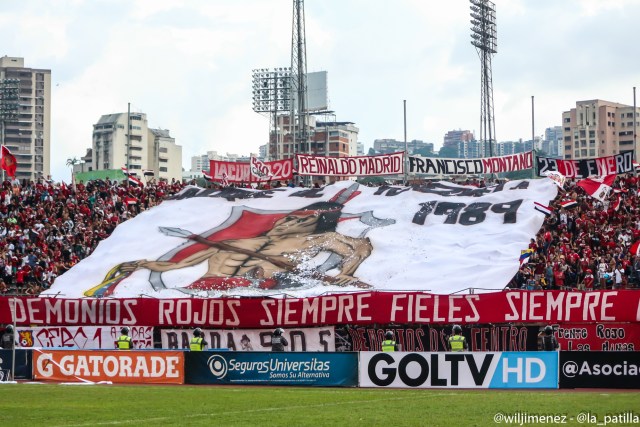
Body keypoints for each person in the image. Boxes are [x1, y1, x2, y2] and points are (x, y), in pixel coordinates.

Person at [120, 199, 377, 292]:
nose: (284, 220)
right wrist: (140, 264)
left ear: (314, 221)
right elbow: (176, 264)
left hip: (252, 292)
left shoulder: (319, 239)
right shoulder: (233, 242)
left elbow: (361, 247)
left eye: (295, 218)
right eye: (287, 216)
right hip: (205, 290)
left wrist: (346, 273)